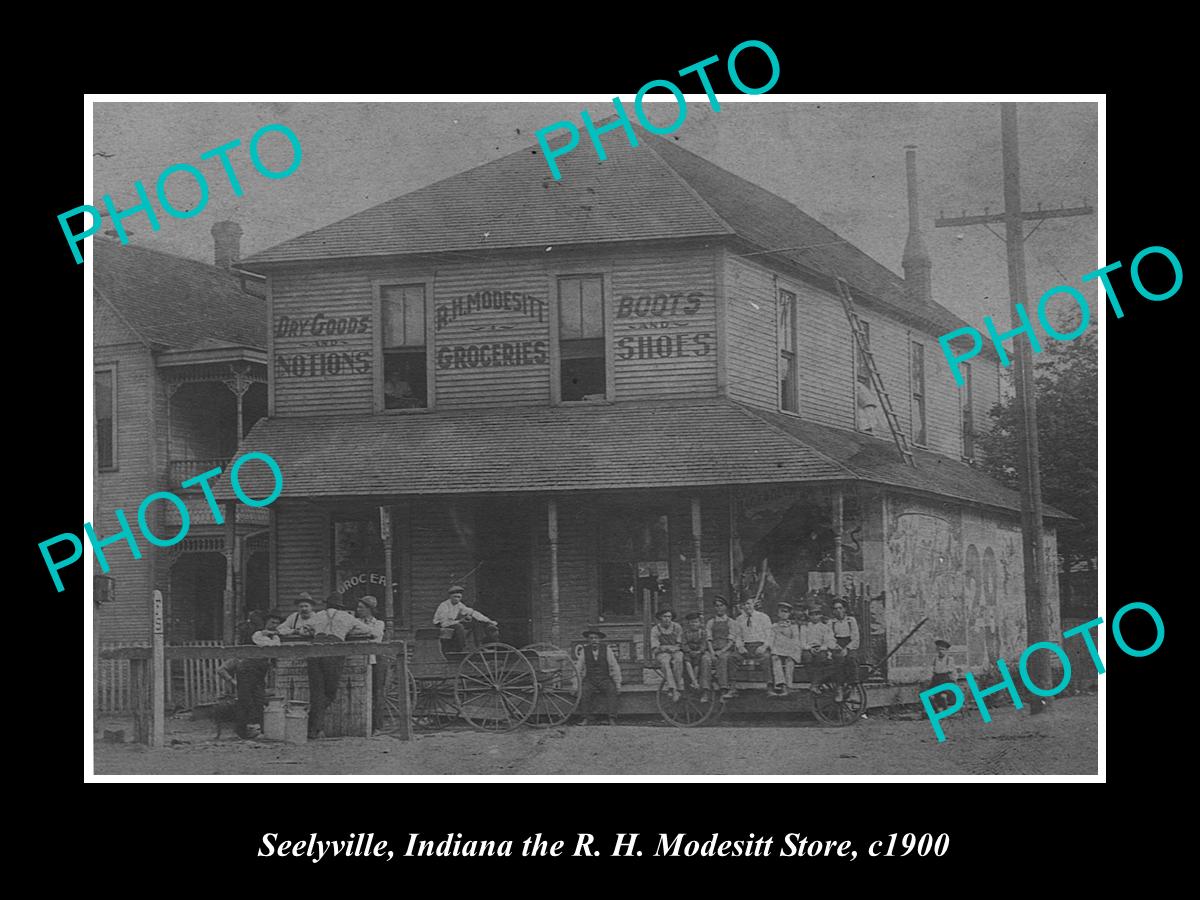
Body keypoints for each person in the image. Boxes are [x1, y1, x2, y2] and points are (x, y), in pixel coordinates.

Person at [278, 592, 375, 738]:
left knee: (316, 691)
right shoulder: (346, 617)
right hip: (334, 651)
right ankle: (313, 726)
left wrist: (313, 632)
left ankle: (313, 727)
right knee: (330, 692)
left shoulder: (318, 616)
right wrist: (347, 631)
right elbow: (368, 631)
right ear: (340, 606)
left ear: (327, 605)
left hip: (315, 649)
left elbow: (303, 630)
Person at [574, 628, 622, 725]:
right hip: (590, 680)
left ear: (600, 639)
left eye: (596, 638)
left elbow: (614, 667)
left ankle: (612, 718)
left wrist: (618, 684)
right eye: (591, 638)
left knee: (612, 690)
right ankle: (586, 718)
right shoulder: (584, 651)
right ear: (588, 640)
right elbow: (578, 668)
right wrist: (575, 685)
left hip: (604, 679)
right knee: (584, 692)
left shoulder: (607, 650)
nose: (594, 640)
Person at [432, 585, 499, 653]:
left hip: (452, 623)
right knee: (459, 627)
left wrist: (489, 621)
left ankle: (479, 646)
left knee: (475, 622)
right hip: (441, 625)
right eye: (455, 597)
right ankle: (462, 648)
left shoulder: (459, 605)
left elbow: (473, 613)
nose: (457, 599)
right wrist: (460, 621)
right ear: (450, 597)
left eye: (459, 597)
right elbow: (444, 623)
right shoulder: (444, 606)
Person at [730, 597, 773, 695]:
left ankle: (769, 687)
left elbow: (769, 635)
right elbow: (738, 636)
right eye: (744, 604)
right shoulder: (739, 619)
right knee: (732, 658)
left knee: (766, 658)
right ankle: (732, 687)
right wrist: (740, 647)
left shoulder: (763, 617)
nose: (747, 606)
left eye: (749, 603)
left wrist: (764, 647)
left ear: (754, 604)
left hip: (759, 646)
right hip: (746, 647)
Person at [356, 595, 387, 730]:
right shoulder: (355, 621)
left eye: (361, 607)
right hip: (360, 659)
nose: (358, 610)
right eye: (358, 607)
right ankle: (363, 725)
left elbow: (375, 635)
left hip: (376, 659)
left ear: (370, 609)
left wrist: (361, 631)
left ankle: (377, 725)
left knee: (377, 692)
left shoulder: (379, 623)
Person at [706, 597, 739, 700]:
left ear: (725, 607)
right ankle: (705, 689)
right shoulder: (710, 622)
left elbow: (731, 640)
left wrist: (722, 651)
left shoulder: (731, 622)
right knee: (705, 659)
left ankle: (723, 688)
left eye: (721, 605)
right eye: (717, 606)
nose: (719, 608)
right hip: (713, 649)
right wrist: (711, 652)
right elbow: (709, 639)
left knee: (723, 658)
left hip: (725, 649)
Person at [650, 608, 685, 702]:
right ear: (660, 618)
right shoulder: (655, 629)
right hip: (662, 653)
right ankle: (672, 688)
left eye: (669, 616)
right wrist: (664, 648)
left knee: (679, 658)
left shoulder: (677, 627)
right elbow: (655, 647)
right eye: (664, 616)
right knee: (665, 661)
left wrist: (675, 648)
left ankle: (678, 685)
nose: (667, 619)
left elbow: (680, 643)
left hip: (675, 651)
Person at [829, 599, 861, 700]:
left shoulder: (851, 620)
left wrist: (847, 648)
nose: (838, 611)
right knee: (839, 660)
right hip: (837, 645)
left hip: (849, 644)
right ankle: (839, 689)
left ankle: (853, 689)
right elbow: (829, 637)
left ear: (845, 609)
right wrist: (836, 646)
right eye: (835, 609)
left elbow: (855, 637)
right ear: (833, 611)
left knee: (852, 659)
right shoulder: (831, 622)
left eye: (840, 608)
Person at [769, 602, 804, 696]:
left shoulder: (793, 626)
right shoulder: (774, 626)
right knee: (775, 659)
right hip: (778, 649)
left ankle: (789, 685)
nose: (784, 614)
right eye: (782, 611)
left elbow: (796, 640)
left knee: (790, 661)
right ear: (778, 613)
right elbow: (771, 639)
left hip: (790, 649)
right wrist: (773, 649)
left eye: (786, 612)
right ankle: (781, 684)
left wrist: (794, 650)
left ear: (789, 614)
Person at [799, 603, 834, 687]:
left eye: (817, 614)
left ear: (821, 615)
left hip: (821, 648)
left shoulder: (824, 627)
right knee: (807, 658)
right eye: (812, 615)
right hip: (808, 648)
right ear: (809, 616)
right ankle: (814, 682)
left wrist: (821, 648)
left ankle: (815, 684)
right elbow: (802, 641)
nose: (814, 617)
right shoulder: (805, 627)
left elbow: (827, 641)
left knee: (821, 658)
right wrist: (809, 648)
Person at [680, 612, 710, 700]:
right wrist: (689, 651)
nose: (694, 624)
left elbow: (704, 644)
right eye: (692, 622)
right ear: (688, 624)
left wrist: (700, 651)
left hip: (698, 652)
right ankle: (694, 680)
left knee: (697, 663)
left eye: (696, 622)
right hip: (689, 652)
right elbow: (684, 644)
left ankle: (695, 680)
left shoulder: (702, 633)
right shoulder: (685, 633)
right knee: (687, 662)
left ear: (699, 623)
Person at [929, 639, 957, 711]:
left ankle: (945, 709)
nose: (940, 651)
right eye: (939, 649)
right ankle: (936, 710)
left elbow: (951, 670)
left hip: (946, 680)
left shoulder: (949, 659)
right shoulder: (935, 659)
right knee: (930, 696)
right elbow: (932, 670)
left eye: (943, 649)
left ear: (946, 650)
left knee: (943, 695)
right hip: (936, 680)